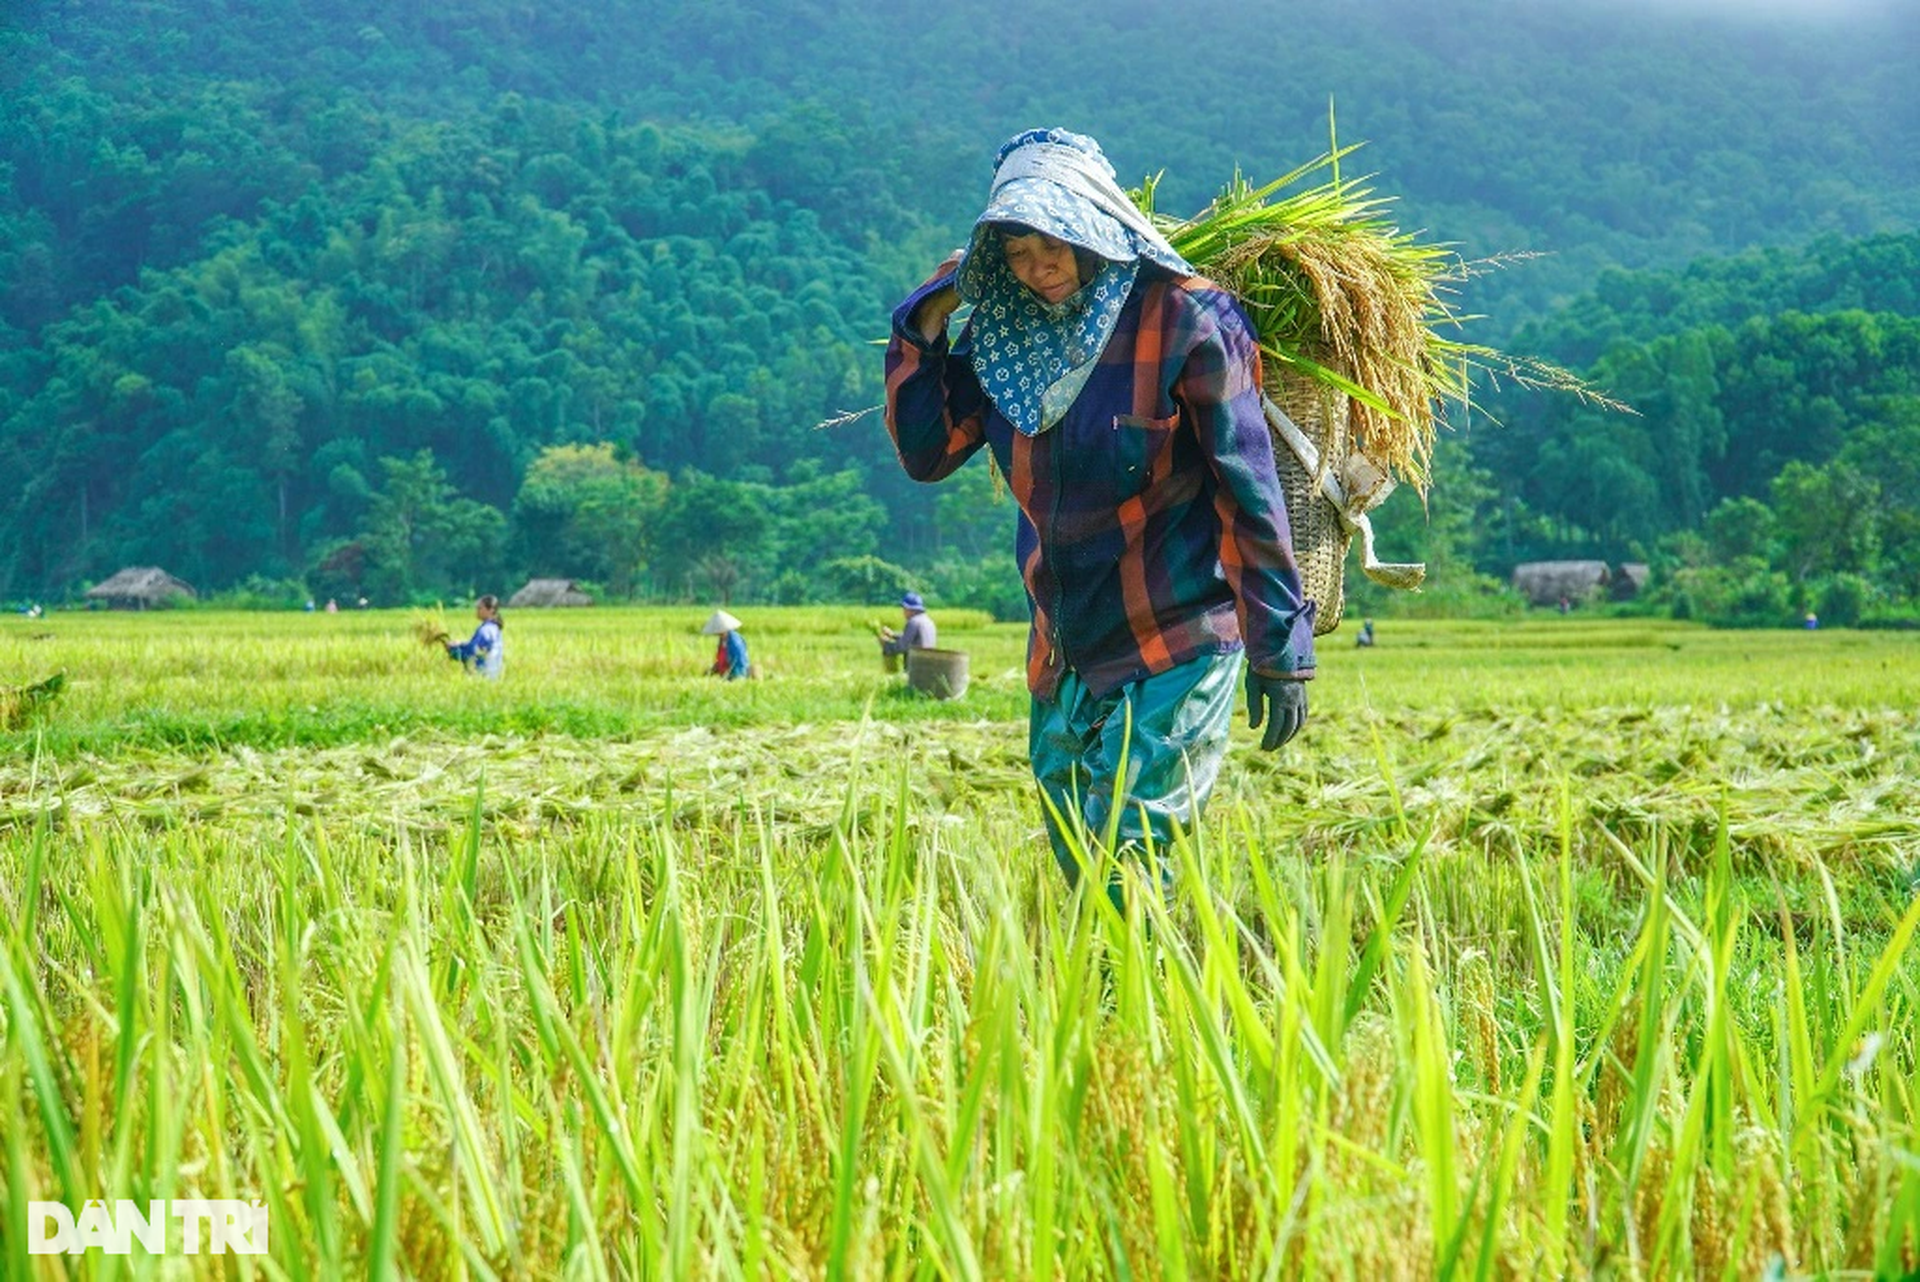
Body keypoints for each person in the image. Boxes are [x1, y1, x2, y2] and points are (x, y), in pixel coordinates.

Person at [884, 127, 1314, 908]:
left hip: (1175, 632)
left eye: (1053, 240)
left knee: (1134, 854)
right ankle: (1106, 1009)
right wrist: (925, 320)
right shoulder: (1003, 337)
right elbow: (927, 453)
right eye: (1012, 251)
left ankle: (1133, 1020)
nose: (1036, 266)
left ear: (1095, 228)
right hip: (1065, 644)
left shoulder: (1185, 321)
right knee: (1077, 845)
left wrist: (1280, 649)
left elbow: (1248, 492)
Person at [446, 595, 505, 679]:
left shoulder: (485, 630)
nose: (477, 611)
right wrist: (460, 644)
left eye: (480, 608)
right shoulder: (494, 628)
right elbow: (476, 646)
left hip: (483, 676)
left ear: (491, 610)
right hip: (493, 674)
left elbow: (473, 654)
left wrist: (453, 650)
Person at [879, 591, 938, 658]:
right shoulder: (929, 621)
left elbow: (902, 647)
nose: (903, 612)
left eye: (904, 609)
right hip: (928, 661)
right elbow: (911, 638)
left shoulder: (913, 622)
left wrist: (886, 644)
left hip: (917, 664)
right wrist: (893, 635)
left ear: (910, 609)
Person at [703, 609, 751, 679]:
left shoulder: (735, 642)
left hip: (735, 675)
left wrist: (733, 675)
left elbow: (739, 662)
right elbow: (722, 659)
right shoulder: (723, 640)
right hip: (725, 675)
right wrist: (713, 670)